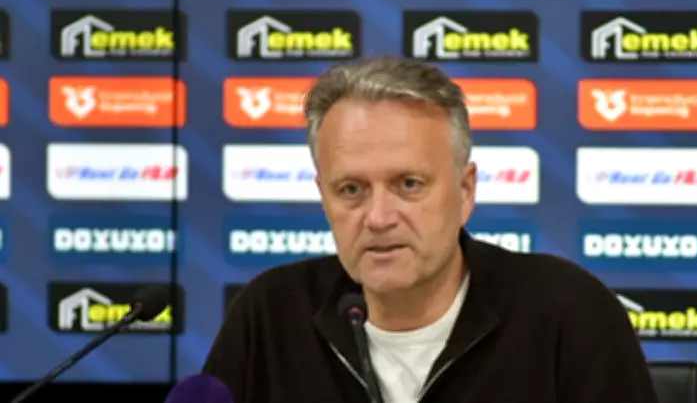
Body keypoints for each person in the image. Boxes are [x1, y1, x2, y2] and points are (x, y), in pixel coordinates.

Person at [203, 55, 658, 403]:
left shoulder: (567, 314)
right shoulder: (271, 315)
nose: (379, 217)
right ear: (325, 199)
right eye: (351, 189)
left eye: (409, 184)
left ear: (465, 191)